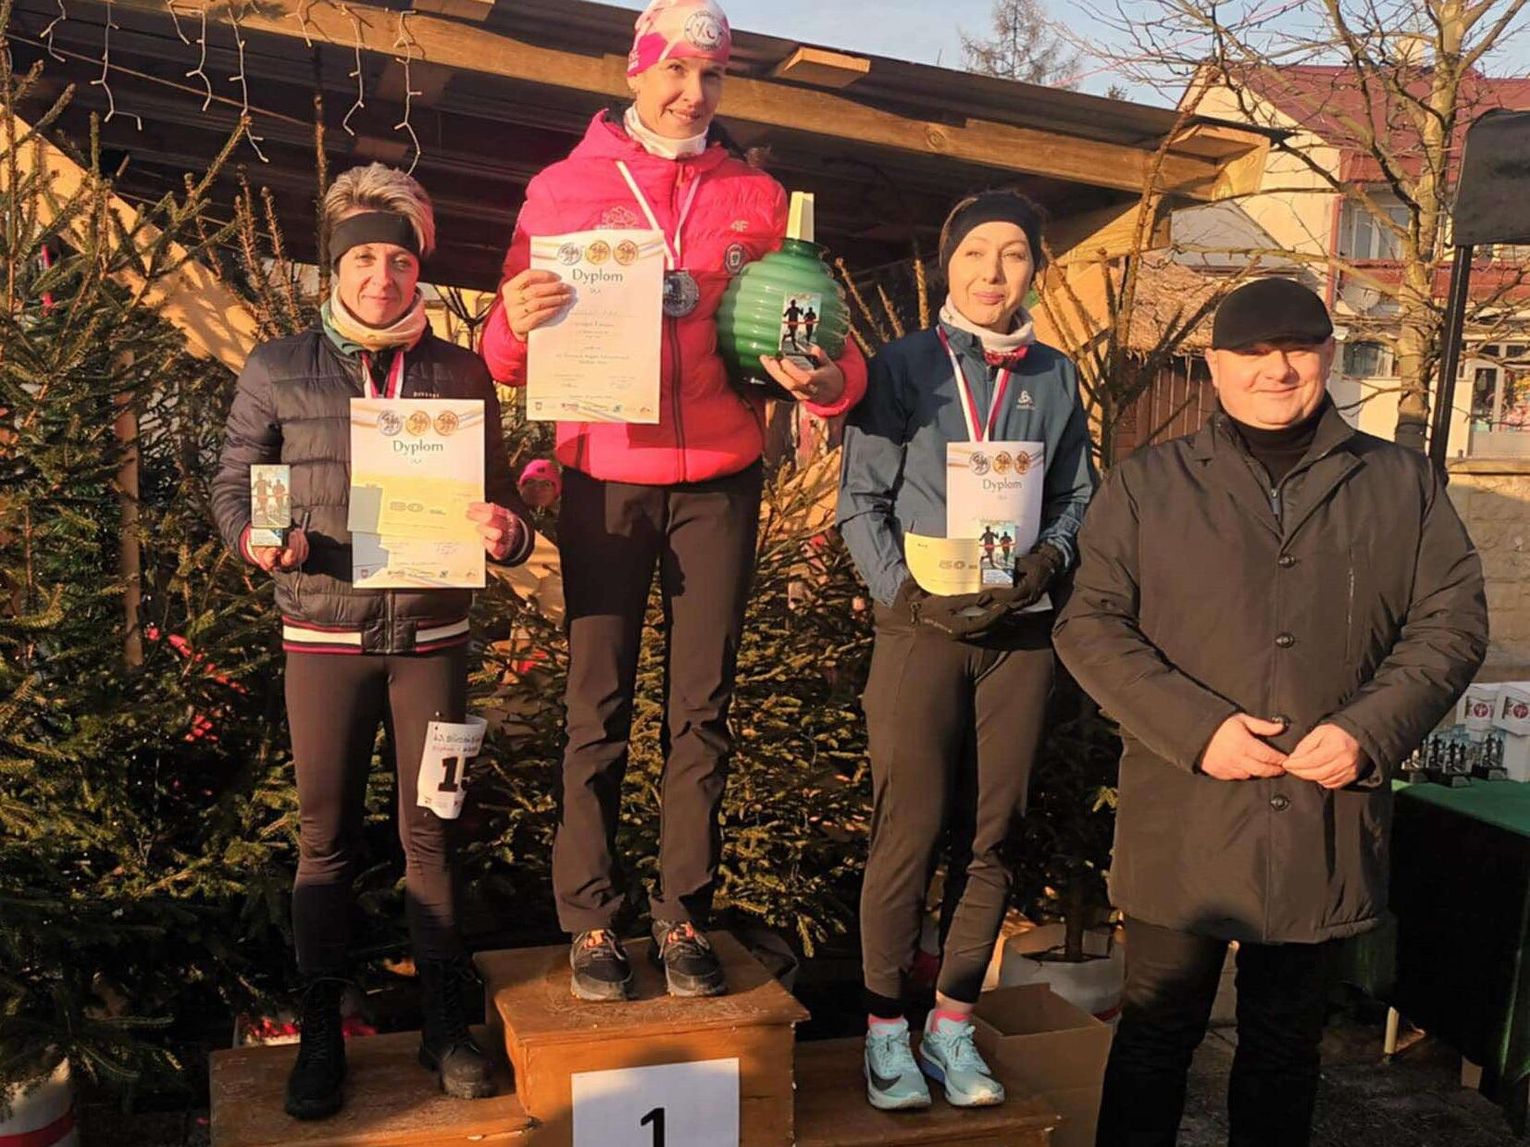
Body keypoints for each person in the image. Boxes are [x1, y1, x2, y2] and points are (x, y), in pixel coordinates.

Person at [481, 0, 867, 1003]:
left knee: (703, 709)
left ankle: (683, 909)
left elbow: (820, 332)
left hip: (720, 482)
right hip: (606, 474)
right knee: (597, 704)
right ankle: (591, 918)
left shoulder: (758, 195)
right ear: (635, 70)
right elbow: (504, 352)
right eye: (676, 72)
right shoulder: (561, 189)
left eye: (712, 76)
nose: (694, 93)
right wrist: (511, 322)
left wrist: (832, 381)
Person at [1052, 277, 1489, 1147]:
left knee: (1286, 1045)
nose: (1275, 368)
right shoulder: (1148, 485)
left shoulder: (1399, 483)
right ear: (1215, 365)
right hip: (1186, 812)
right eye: (1251, 351)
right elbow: (1089, 625)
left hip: (1322, 810)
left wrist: (1369, 728)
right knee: (1155, 1033)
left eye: (1296, 347)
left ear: (1328, 355)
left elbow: (1452, 621)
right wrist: (1196, 728)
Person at [212, 163, 537, 1120]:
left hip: (434, 641)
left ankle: (443, 1024)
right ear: (337, 267)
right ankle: (321, 1029)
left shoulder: (460, 372)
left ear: (417, 269)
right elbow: (236, 480)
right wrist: (256, 537)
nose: (382, 277)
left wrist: (509, 531)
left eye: (399, 260)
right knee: (325, 839)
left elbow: (499, 495)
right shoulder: (277, 367)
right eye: (363, 260)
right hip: (323, 635)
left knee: (434, 828)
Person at [837, 189, 1096, 1111]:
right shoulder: (902, 366)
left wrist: (1050, 558)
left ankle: (951, 1023)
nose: (994, 271)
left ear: (1034, 269)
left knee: (995, 832)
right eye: (976, 251)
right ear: (948, 262)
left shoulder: (1055, 375)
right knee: (907, 830)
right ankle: (885, 1030)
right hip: (923, 630)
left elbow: (1077, 492)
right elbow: (860, 501)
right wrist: (901, 595)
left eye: (1014, 253)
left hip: (1018, 636)